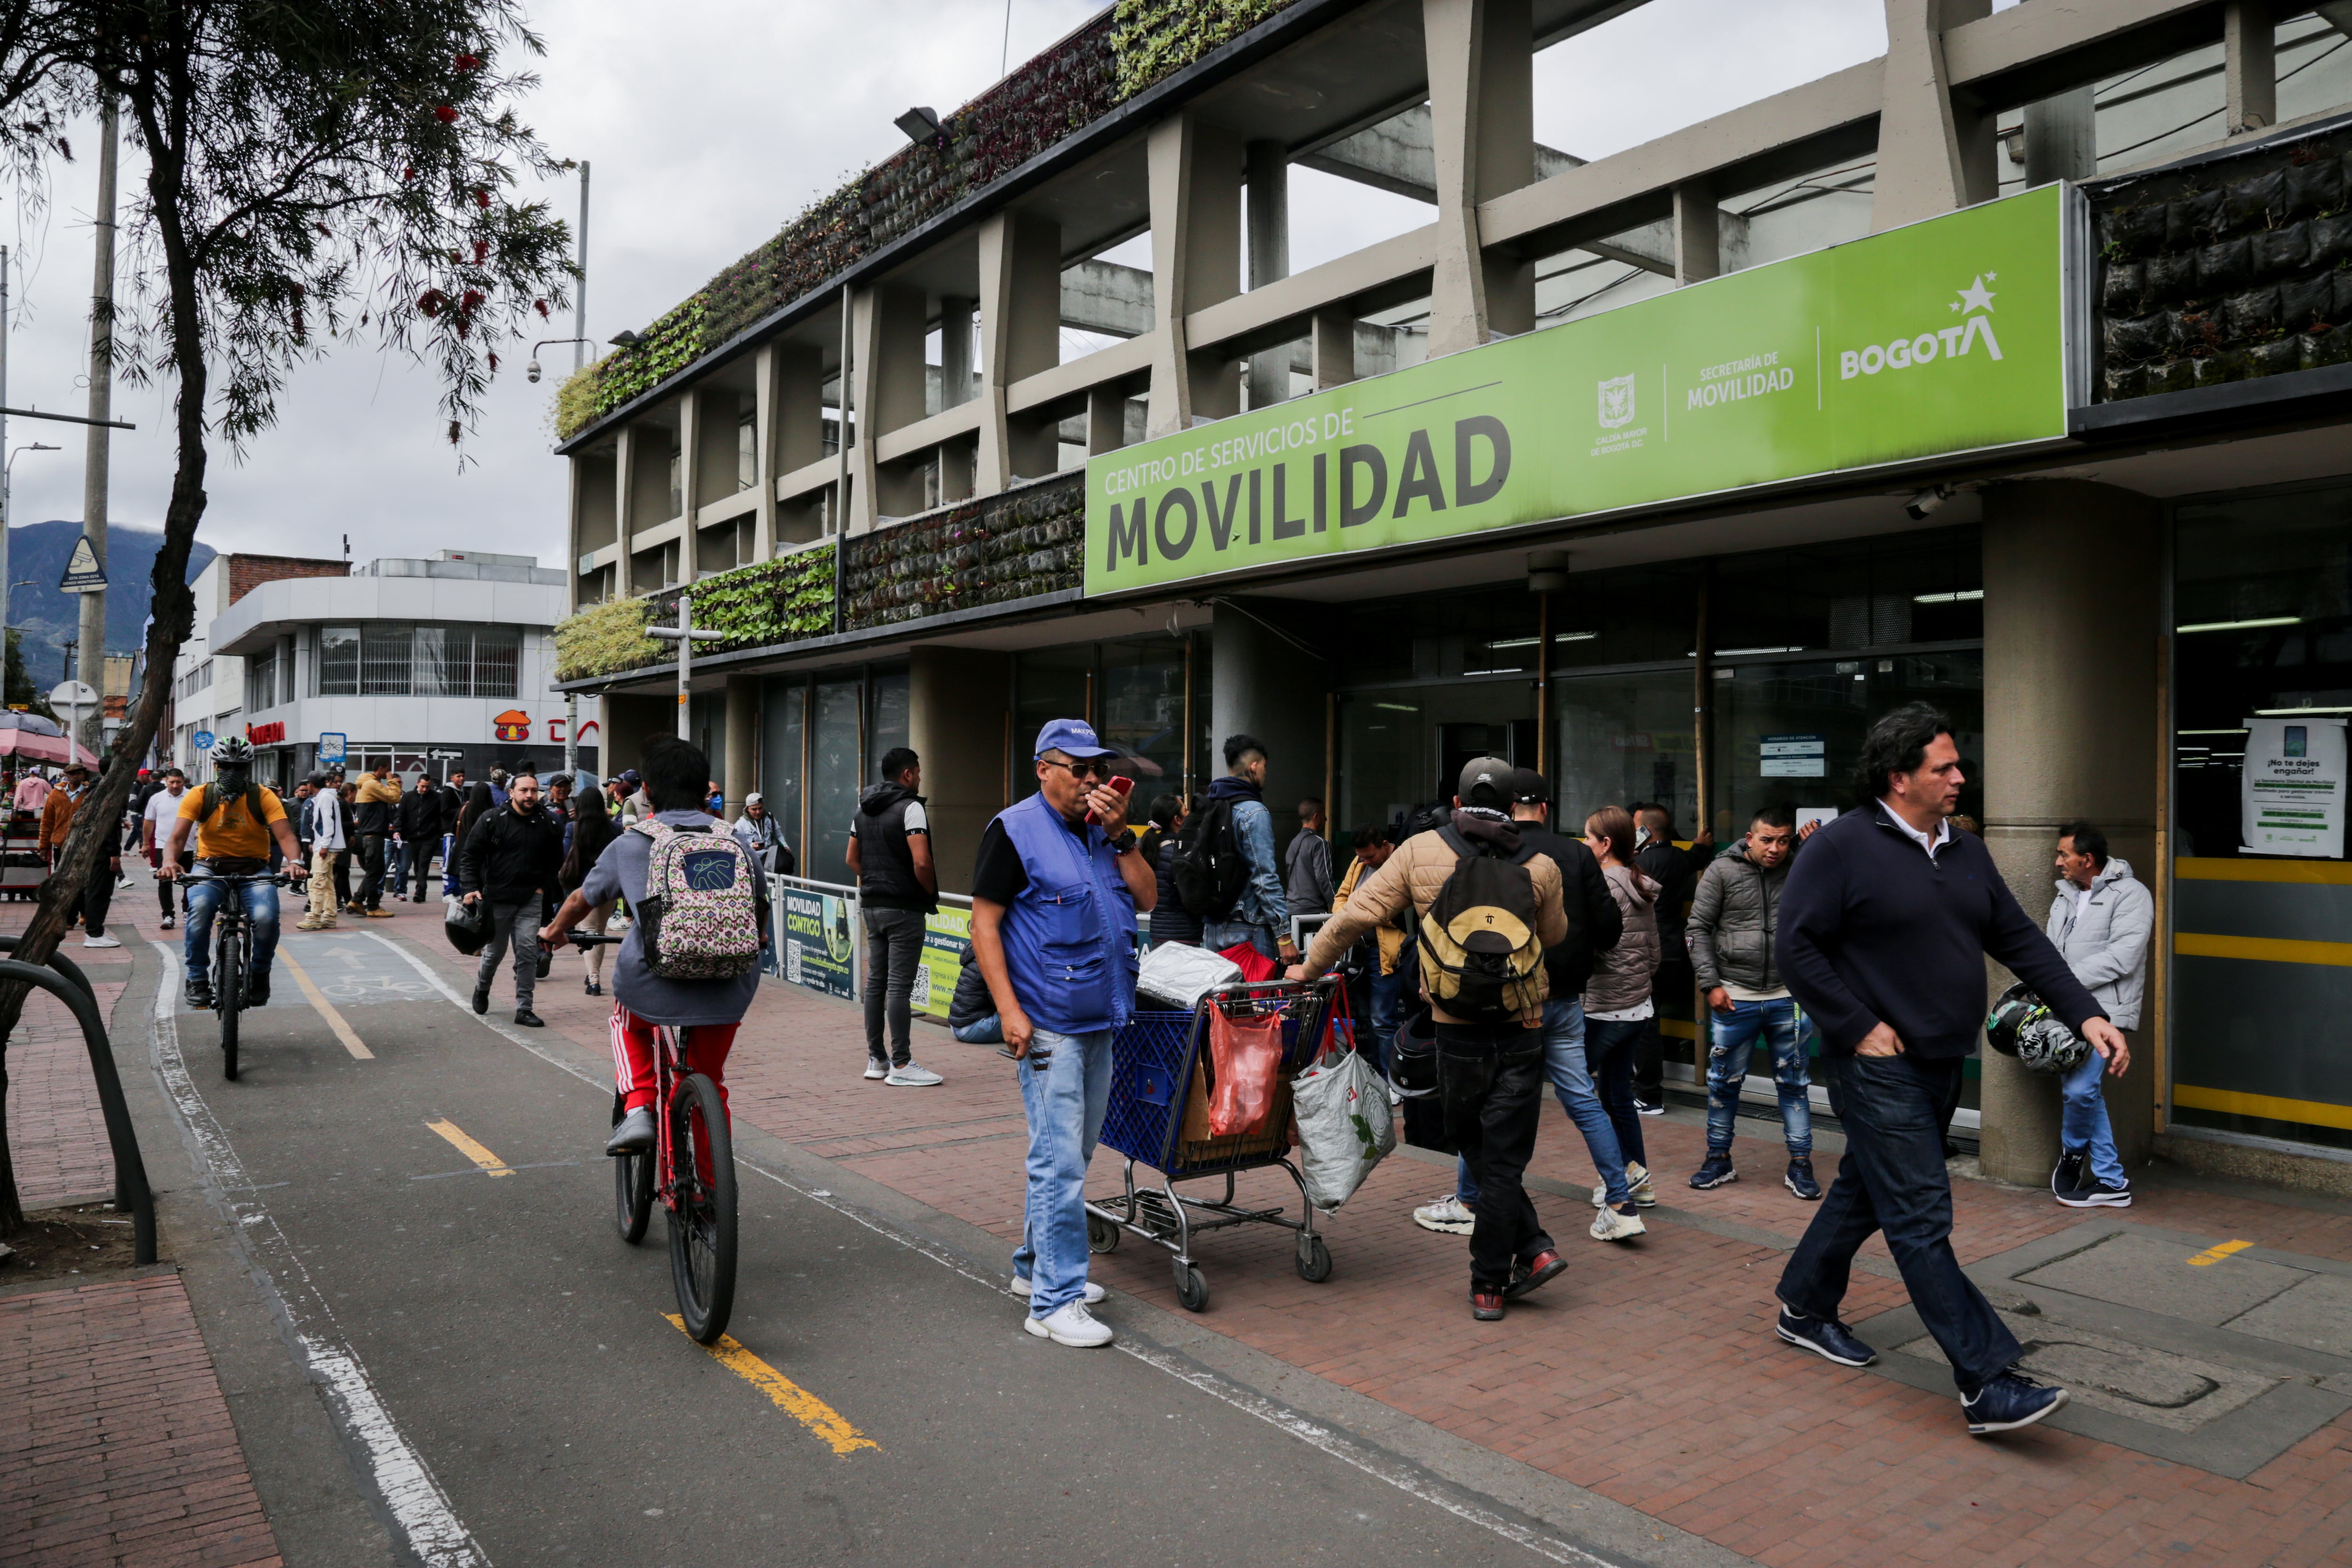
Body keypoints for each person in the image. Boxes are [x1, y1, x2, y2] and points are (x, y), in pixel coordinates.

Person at [1774, 703, 2125, 1438]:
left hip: (1940, 1059)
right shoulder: (1837, 848)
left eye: (1958, 764)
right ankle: (1986, 1379)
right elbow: (1797, 949)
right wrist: (1858, 1025)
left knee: (1867, 1191)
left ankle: (1804, 1305)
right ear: (1900, 778)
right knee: (1920, 1214)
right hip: (1874, 1062)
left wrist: (2084, 1013)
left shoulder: (1963, 850)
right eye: (1946, 767)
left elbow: (2019, 938)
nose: (1961, 776)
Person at [1295, 757, 1573, 1321]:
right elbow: (1553, 935)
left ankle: (1489, 1283)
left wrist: (1307, 967)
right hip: (1520, 1028)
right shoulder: (1541, 864)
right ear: (1515, 807)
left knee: (1475, 1146)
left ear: (1456, 804)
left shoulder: (1421, 851)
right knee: (1500, 1158)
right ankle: (1533, 1251)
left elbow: (1355, 916)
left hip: (1455, 1030)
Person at [970, 719, 1155, 1348]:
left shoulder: (1104, 834)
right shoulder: (1014, 830)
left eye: (1097, 770)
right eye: (1078, 769)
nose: (1092, 781)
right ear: (1043, 768)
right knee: (1058, 1163)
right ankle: (1055, 1300)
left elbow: (1149, 896)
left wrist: (1121, 835)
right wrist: (1011, 1011)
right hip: (1048, 1021)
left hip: (1102, 1014)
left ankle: (1035, 1269)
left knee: (1069, 1155)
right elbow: (984, 926)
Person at [541, 736, 769, 1157]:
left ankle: (640, 1104)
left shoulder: (631, 843)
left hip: (653, 984)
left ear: (646, 790)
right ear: (706, 792)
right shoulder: (736, 842)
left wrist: (555, 931)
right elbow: (760, 911)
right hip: (728, 987)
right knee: (709, 1080)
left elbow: (579, 900)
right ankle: (707, 1186)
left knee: (625, 1021)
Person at [1686, 805, 1819, 1199]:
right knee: (1723, 1084)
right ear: (1749, 837)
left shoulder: (1801, 865)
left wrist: (1817, 850)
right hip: (1734, 996)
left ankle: (1801, 1165)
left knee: (1794, 1085)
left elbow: (1837, 904)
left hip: (1789, 997)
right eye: (1767, 840)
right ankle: (1718, 1158)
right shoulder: (1721, 870)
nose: (1775, 848)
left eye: (1783, 840)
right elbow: (1697, 928)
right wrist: (1710, 984)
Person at [2047, 820, 2152, 1209]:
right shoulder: (2065, 895)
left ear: (2087, 859)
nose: (2058, 861)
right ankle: (2111, 1179)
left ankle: (2074, 1152)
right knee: (2087, 1092)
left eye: (2064, 854)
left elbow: (2124, 957)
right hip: (2068, 1008)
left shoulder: (2132, 894)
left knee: (2079, 1090)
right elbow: (2049, 949)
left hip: (2108, 1011)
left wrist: (2062, 983)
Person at [161, 736, 302, 1008]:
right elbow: (177, 838)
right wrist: (169, 861)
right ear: (216, 766)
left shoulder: (263, 796)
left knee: (266, 917)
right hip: (210, 867)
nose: (232, 772)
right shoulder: (200, 795)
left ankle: (260, 974)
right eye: (226, 766)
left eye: (239, 768)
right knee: (199, 910)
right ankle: (197, 978)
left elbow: (286, 836)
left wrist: (294, 862)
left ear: (249, 768)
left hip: (255, 869)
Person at [1579, 805, 1659, 1234]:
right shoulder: (1641, 884)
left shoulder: (1603, 887)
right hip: (1638, 1006)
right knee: (1617, 1094)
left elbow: (1591, 950)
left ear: (1606, 844)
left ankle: (1621, 1182)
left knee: (1581, 1094)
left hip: (1604, 1007)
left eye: (1588, 838)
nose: (1584, 844)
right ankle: (1639, 1180)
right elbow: (1654, 954)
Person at [846, 746, 942, 1087]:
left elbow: (852, 859)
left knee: (876, 984)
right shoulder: (911, 806)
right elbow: (922, 862)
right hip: (904, 908)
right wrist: (926, 892)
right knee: (900, 986)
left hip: (871, 905)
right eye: (917, 772)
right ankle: (902, 1063)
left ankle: (877, 1059)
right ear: (907, 774)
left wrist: (875, 880)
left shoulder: (864, 807)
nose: (919, 777)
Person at [457, 772, 565, 1026]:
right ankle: (482, 989)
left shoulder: (549, 823)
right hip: (497, 899)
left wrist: (542, 890)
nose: (530, 796)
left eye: (534, 790)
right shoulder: (492, 820)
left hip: (531, 899)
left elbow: (555, 863)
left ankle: (524, 1008)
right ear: (512, 793)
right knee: (495, 953)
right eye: (524, 790)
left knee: (528, 952)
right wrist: (470, 888)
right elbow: (470, 856)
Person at [1630, 804, 1708, 1114]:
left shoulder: (1639, 863)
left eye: (1635, 826)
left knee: (1645, 1021)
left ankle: (1649, 1094)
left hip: (1647, 947)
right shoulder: (1677, 857)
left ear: (1646, 831)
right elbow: (1698, 856)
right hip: (1675, 949)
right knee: (1652, 1014)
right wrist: (1702, 845)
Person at [1199, 734, 1295, 965]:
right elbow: (1265, 878)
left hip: (1211, 927)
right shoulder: (1254, 812)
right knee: (1253, 1001)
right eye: (1264, 767)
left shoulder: (1210, 806)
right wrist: (1284, 937)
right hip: (1248, 928)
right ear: (1254, 766)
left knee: (1220, 1001)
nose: (1265, 773)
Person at [1332, 823, 1405, 1073]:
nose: (1366, 862)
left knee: (1383, 1020)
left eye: (1371, 856)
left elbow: (1390, 909)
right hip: (1358, 953)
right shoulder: (1359, 863)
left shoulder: (1401, 862)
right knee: (1366, 1017)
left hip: (1384, 953)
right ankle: (1375, 1073)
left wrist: (1356, 914)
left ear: (1385, 846)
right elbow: (1341, 896)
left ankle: (1389, 1078)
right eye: (1361, 857)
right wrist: (1347, 915)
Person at [41, 761, 122, 947]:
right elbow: (47, 820)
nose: (75, 776)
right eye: (71, 774)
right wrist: (44, 845)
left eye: (79, 773)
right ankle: (72, 921)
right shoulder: (58, 793)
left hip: (85, 846)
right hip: (64, 844)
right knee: (68, 884)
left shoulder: (88, 791)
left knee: (86, 885)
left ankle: (85, 919)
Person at [558, 782, 622, 998]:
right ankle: (591, 975)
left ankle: (594, 980)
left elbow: (565, 855)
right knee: (599, 932)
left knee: (589, 933)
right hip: (610, 888)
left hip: (584, 889)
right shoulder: (615, 828)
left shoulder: (573, 828)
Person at [1144, 795, 1201, 948]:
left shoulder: (1154, 848)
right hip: (1182, 935)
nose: (1189, 813)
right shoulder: (1178, 854)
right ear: (1178, 820)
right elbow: (1192, 896)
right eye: (1185, 810)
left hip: (1160, 934)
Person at [141, 767, 190, 931]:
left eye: (179, 782)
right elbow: (149, 822)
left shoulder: (192, 797)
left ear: (184, 781)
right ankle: (168, 915)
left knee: (190, 881)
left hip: (189, 847)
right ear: (166, 782)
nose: (175, 785)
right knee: (164, 881)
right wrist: (146, 843)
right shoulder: (157, 798)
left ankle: (187, 910)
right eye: (172, 782)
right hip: (163, 846)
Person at [351, 761, 401, 917]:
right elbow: (395, 798)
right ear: (381, 768)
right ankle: (372, 906)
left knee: (375, 871)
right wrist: (391, 780)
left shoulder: (368, 783)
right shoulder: (372, 785)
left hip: (373, 834)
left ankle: (358, 901)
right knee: (375, 871)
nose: (389, 772)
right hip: (373, 835)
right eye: (387, 769)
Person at [297, 775, 347, 931]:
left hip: (327, 846)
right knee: (326, 883)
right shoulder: (325, 797)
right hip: (326, 845)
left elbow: (327, 822)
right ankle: (329, 916)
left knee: (317, 882)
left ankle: (314, 917)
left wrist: (324, 845)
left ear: (311, 784)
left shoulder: (325, 798)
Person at [1285, 796, 1334, 927]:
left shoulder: (1293, 843)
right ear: (1316, 817)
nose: (1326, 819)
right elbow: (1325, 879)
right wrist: (1338, 905)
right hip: (1313, 914)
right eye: (1324, 815)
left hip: (1292, 913)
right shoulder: (1320, 843)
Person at [397, 771, 441, 903]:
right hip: (413, 837)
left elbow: (441, 817)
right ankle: (421, 890)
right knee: (417, 865)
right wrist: (398, 830)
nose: (425, 789)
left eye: (428, 787)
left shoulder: (437, 798)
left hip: (430, 837)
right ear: (417, 784)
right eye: (423, 786)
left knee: (423, 864)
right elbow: (401, 815)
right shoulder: (408, 797)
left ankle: (420, 892)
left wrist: (437, 831)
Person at [731, 792, 793, 876]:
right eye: (754, 809)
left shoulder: (770, 818)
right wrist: (752, 846)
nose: (758, 812)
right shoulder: (741, 824)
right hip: (752, 862)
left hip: (771, 860)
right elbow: (736, 845)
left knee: (773, 883)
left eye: (760, 808)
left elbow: (779, 835)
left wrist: (785, 846)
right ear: (747, 809)